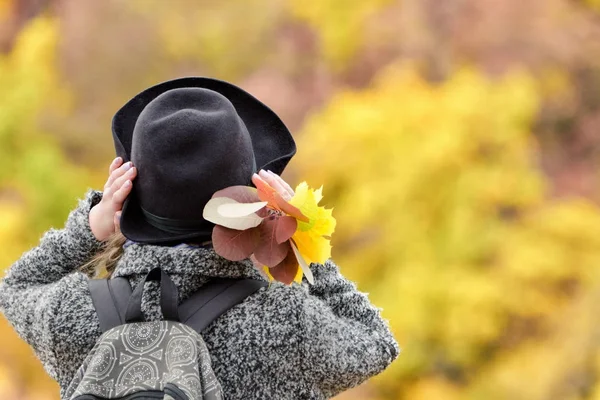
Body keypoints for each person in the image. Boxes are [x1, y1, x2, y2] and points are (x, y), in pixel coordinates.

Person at [0, 77, 399, 399]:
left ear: (132, 193)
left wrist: (90, 225)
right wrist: (298, 232)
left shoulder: (72, 314)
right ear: (250, 203)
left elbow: (15, 288)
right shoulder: (286, 324)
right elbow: (377, 343)